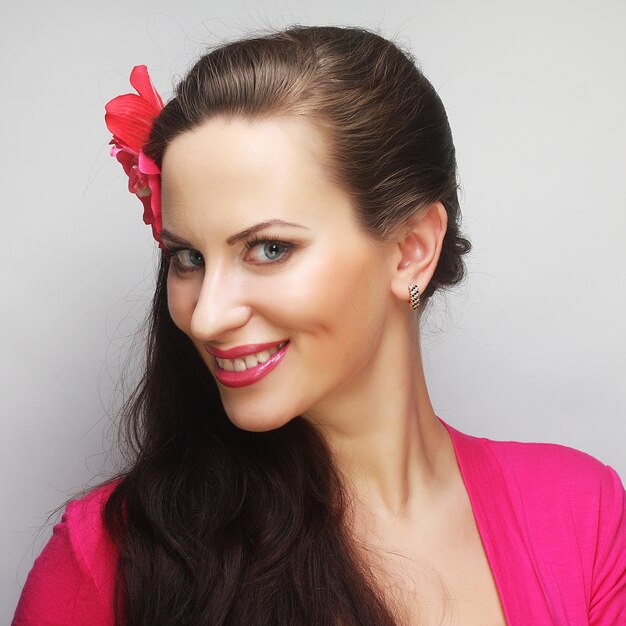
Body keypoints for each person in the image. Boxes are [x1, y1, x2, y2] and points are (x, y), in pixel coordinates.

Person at [12, 25, 625, 626]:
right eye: (188, 258)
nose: (206, 315)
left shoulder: (582, 515)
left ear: (411, 248)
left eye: (269, 249)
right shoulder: (105, 560)